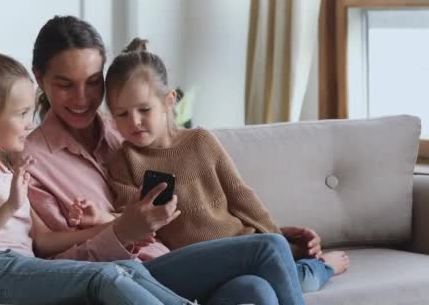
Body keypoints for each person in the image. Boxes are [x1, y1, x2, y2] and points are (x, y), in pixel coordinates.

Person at [21, 15, 306, 305]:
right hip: (131, 277)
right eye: (65, 85)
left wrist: (280, 235)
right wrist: (119, 232)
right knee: (269, 248)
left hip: (185, 268)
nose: (82, 98)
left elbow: (216, 197)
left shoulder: (126, 129)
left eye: (93, 82)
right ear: (39, 78)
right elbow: (51, 259)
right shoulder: (31, 162)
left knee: (257, 291)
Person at [69, 37, 349, 293]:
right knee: (270, 281)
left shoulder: (201, 141)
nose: (134, 122)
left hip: (242, 243)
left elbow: (241, 197)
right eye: (122, 114)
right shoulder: (124, 161)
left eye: (144, 110)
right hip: (202, 265)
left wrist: (278, 238)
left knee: (278, 276)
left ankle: (319, 266)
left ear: (169, 102)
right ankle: (315, 267)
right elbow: (131, 219)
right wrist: (100, 218)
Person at [0, 51, 196, 304]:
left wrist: (116, 225)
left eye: (29, 113)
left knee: (124, 267)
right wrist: (9, 206)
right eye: (21, 114)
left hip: (17, 264)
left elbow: (43, 241)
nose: (30, 124)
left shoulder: (7, 169)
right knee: (103, 277)